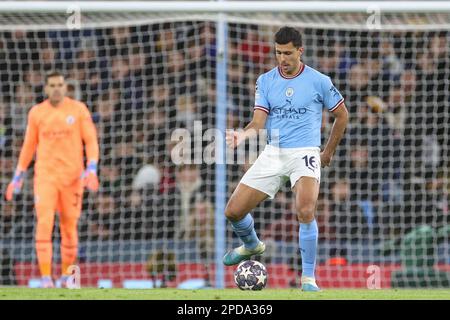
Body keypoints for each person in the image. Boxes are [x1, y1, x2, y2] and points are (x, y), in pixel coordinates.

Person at [223, 27, 349, 292]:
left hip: (305, 152)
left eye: (288, 53)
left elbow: (342, 115)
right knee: (233, 211)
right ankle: (251, 245)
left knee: (305, 210)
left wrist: (327, 152)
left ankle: (308, 279)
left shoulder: (319, 81)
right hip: (274, 152)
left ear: (300, 51)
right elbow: (258, 122)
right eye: (278, 52)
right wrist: (241, 135)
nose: (283, 58)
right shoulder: (266, 81)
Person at [4, 71, 99, 288]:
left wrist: (92, 168)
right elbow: (29, 146)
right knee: (44, 224)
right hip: (45, 178)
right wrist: (18, 175)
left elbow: (91, 141)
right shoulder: (37, 113)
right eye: (52, 85)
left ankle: (66, 277)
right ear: (46, 89)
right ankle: (46, 278)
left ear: (65, 87)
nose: (56, 88)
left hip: (73, 179)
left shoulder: (78, 110)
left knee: (69, 228)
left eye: (60, 84)